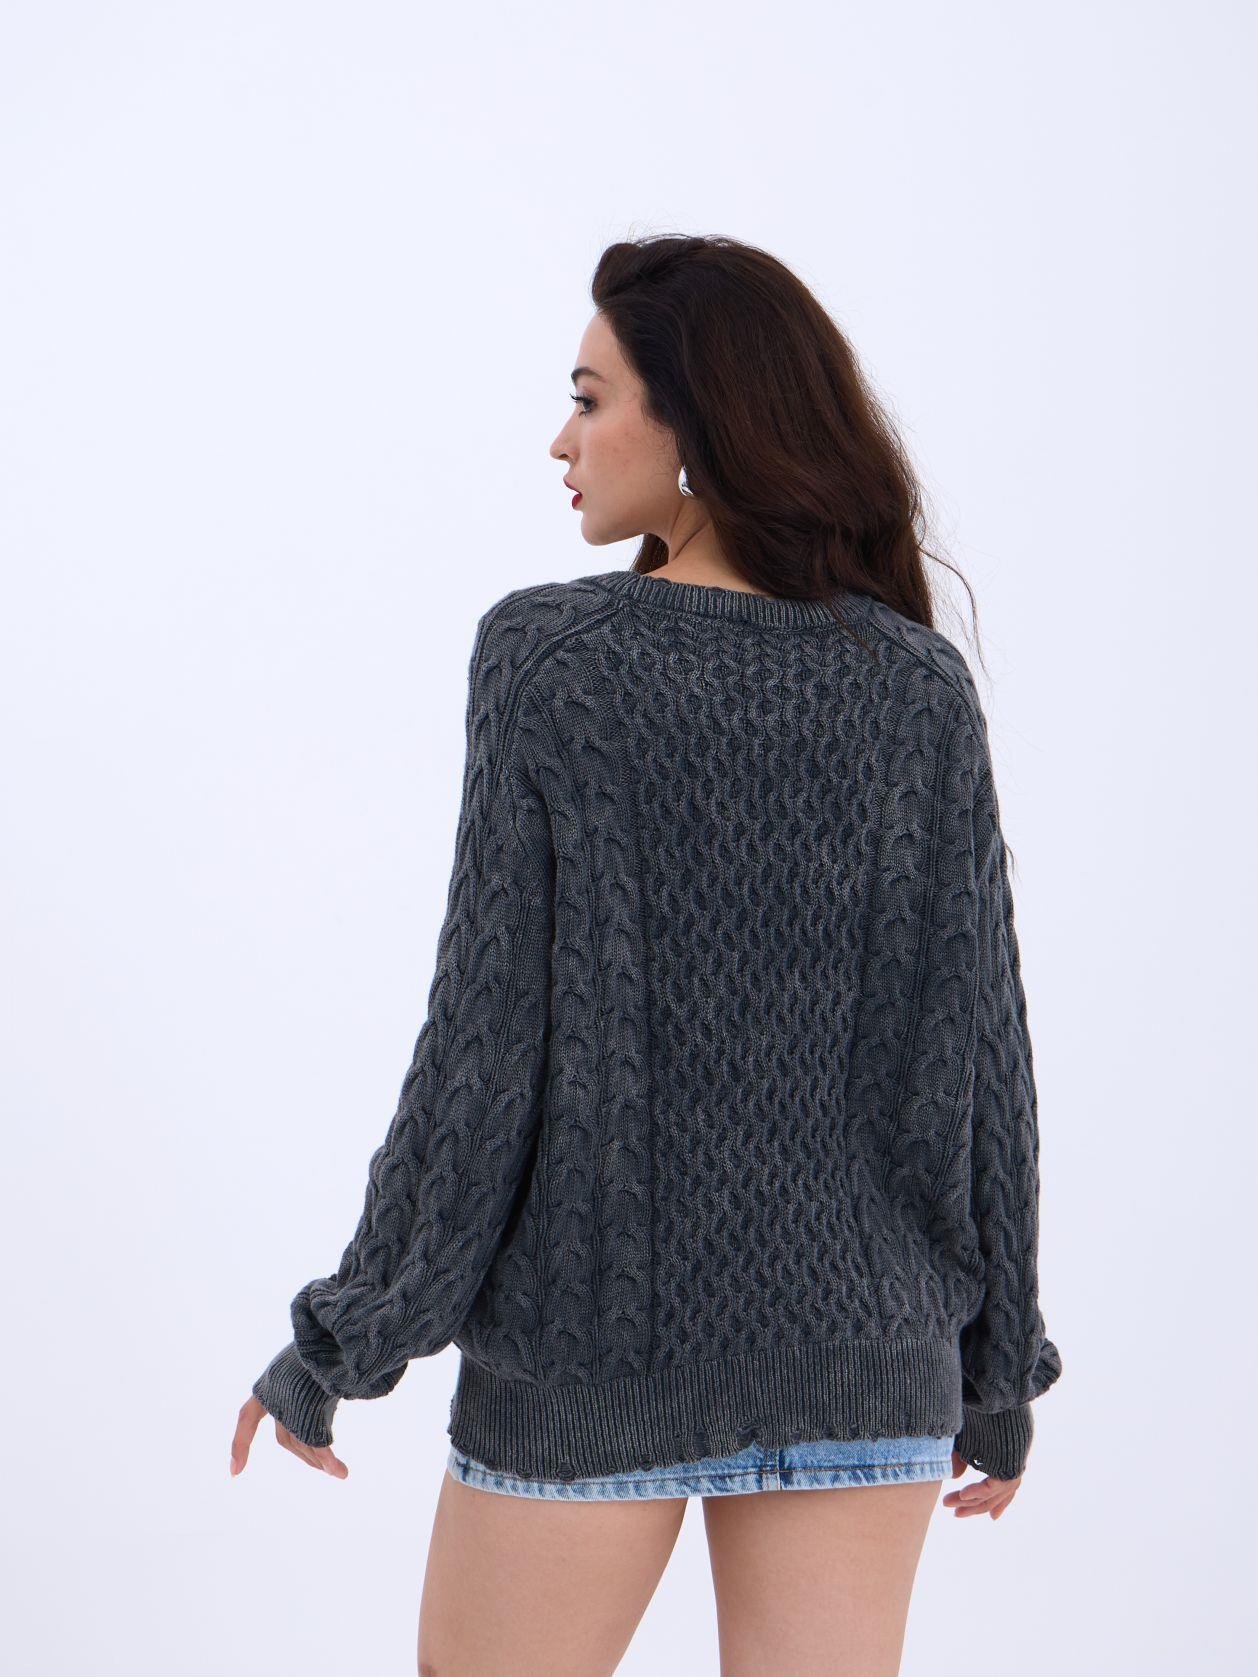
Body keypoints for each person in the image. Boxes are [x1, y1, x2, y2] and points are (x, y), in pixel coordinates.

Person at [231, 233, 1063, 1677]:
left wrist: (344, 1337)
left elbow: (482, 1052)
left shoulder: (553, 662)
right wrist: (995, 1373)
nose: (560, 440)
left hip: (590, 1365)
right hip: (867, 1359)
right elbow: (984, 1055)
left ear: (697, 428)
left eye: (588, 398)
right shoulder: (914, 687)